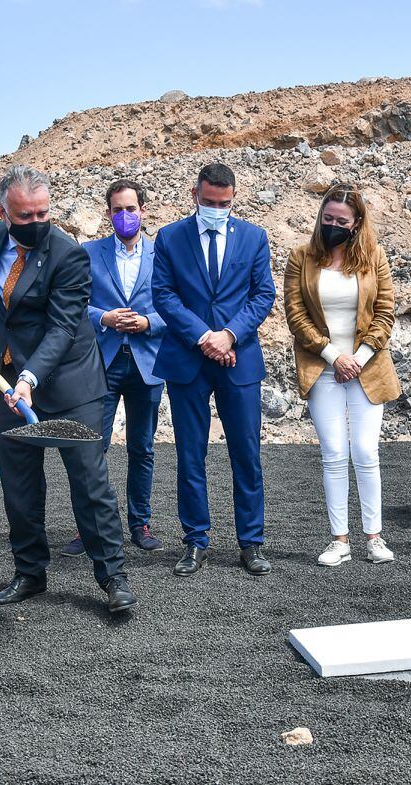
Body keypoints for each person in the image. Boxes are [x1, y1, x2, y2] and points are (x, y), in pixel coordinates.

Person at [0, 164, 137, 613]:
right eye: (24, 216)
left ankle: (113, 578)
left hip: (70, 384)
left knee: (89, 483)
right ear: (2, 212)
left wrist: (30, 380)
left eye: (41, 214)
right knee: (20, 483)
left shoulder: (68, 254)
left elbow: (64, 327)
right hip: (7, 380)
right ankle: (30, 573)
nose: (34, 224)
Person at [151, 162, 276, 577]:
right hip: (188, 360)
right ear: (194, 195)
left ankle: (251, 543)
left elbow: (263, 296)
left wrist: (229, 335)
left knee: (247, 453)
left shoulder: (255, 238)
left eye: (223, 203)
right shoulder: (170, 237)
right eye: (208, 202)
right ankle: (195, 541)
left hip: (238, 360)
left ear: (233, 198)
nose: (216, 208)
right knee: (190, 454)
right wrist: (205, 336)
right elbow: (164, 295)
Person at [283, 184, 401, 566]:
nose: (333, 225)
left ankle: (374, 538)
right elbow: (296, 317)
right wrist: (335, 356)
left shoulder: (374, 257)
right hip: (323, 368)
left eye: (342, 221)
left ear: (357, 223)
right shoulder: (301, 257)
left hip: (367, 369)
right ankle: (339, 540)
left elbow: (385, 314)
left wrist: (359, 357)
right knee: (334, 455)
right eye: (328, 218)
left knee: (365, 452)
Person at [60, 179, 166, 557]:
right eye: (118, 210)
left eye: (131, 209)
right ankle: (87, 528)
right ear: (108, 214)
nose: (125, 216)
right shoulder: (88, 253)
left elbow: (176, 307)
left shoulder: (162, 254)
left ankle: (140, 523)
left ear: (144, 211)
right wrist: (103, 317)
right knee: (91, 448)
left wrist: (148, 323)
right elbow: (71, 302)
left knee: (143, 448)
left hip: (147, 365)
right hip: (99, 365)